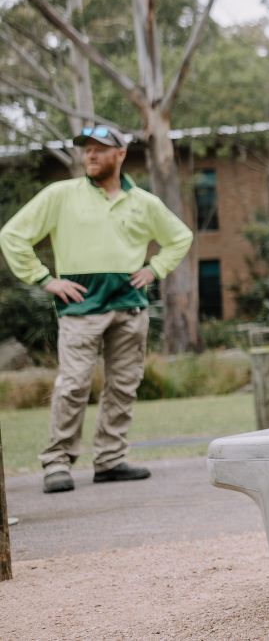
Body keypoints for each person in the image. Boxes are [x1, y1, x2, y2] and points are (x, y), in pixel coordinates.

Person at [0, 125, 193, 493]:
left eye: (100, 149)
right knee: (73, 384)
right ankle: (57, 462)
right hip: (80, 308)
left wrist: (155, 269)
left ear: (120, 154)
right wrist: (45, 279)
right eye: (86, 149)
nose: (90, 155)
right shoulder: (60, 195)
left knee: (124, 384)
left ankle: (110, 459)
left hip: (129, 306)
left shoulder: (144, 202)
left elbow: (180, 237)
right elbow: (12, 235)